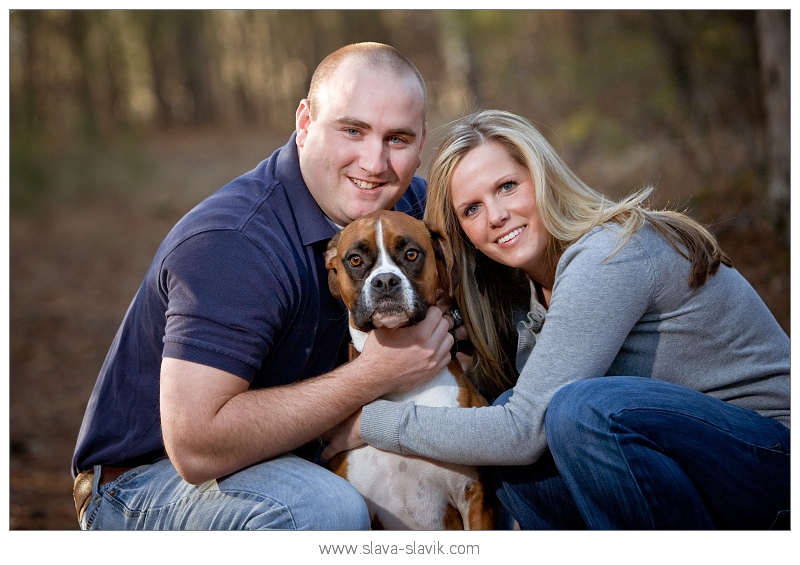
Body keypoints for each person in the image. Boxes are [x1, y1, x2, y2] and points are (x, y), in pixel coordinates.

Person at [323, 109, 790, 529]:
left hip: (771, 459)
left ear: (542, 176)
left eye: (507, 187)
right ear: (460, 229)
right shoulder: (524, 288)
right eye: (472, 208)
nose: (498, 215)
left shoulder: (609, 256)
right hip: (687, 463)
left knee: (575, 412)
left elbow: (522, 431)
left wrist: (371, 423)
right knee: (517, 429)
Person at [71, 42, 460, 530]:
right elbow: (196, 446)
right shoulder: (234, 244)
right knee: (323, 508)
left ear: (422, 142)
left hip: (297, 454)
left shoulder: (410, 217)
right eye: (352, 130)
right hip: (147, 484)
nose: (374, 162)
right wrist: (378, 375)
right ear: (304, 122)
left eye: (397, 139)